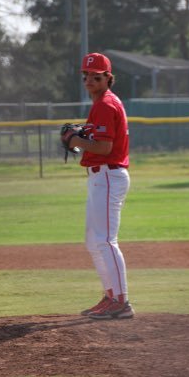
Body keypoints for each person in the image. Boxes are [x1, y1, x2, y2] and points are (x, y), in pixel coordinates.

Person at [64, 52, 134, 320]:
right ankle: (110, 296)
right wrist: (82, 134)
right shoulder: (101, 104)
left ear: (108, 78)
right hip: (100, 176)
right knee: (94, 241)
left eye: (97, 76)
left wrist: (74, 141)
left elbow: (104, 148)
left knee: (104, 240)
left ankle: (121, 302)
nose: (90, 79)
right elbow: (100, 139)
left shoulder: (105, 103)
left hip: (108, 175)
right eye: (86, 75)